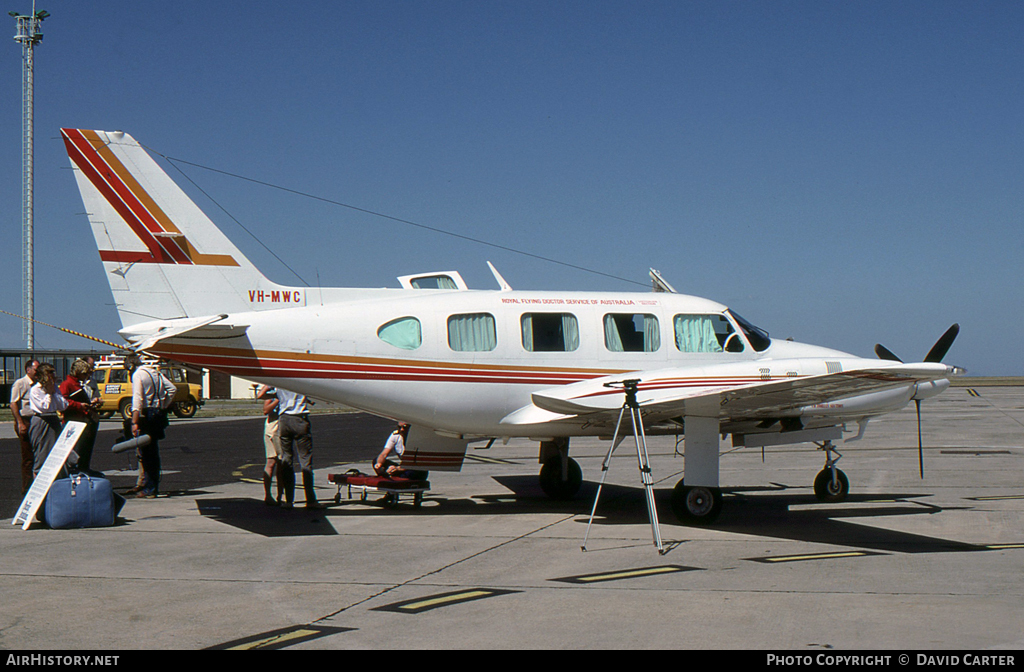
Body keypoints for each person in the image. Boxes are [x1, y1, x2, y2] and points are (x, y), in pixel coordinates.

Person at [125, 354, 176, 498]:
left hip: (146, 415)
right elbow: (172, 389)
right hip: (158, 413)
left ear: (130, 366)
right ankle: (152, 485)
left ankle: (149, 487)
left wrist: (134, 422)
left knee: (146, 453)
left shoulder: (138, 375)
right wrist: (164, 405)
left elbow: (138, 398)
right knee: (153, 452)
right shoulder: (155, 372)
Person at [274, 388, 323, 509]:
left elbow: (264, 393)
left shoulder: (280, 384)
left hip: (284, 418)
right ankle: (310, 499)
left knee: (287, 459)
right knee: (305, 461)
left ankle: (289, 500)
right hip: (299, 417)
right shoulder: (299, 383)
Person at [59, 359, 102, 474]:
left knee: (85, 448)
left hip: (84, 420)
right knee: (75, 450)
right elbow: (62, 402)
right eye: (84, 374)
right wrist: (79, 405)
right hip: (73, 421)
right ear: (78, 372)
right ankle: (74, 470)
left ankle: (83, 468)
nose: (86, 376)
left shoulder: (78, 384)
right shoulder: (67, 384)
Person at [27, 363, 69, 479]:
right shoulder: (35, 390)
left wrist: (54, 392)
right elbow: (44, 407)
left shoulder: (55, 388)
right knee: (42, 452)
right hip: (41, 420)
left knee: (56, 451)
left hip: (53, 419)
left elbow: (63, 405)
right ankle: (38, 479)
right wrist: (49, 393)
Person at [9, 359, 40, 494]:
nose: (37, 372)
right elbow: (13, 403)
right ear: (28, 369)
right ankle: (26, 487)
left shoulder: (38, 384)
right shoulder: (20, 384)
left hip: (36, 420)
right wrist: (20, 422)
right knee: (28, 455)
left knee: (38, 453)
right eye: (35, 369)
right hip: (25, 420)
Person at [256, 385, 283, 506]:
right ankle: (268, 495)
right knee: (271, 462)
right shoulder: (273, 392)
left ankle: (280, 495)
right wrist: (277, 399)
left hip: (282, 428)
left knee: (281, 464)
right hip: (272, 428)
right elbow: (266, 409)